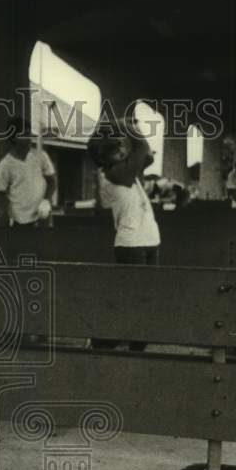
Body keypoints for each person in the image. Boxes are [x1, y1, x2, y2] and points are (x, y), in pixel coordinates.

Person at [87, 113, 160, 351]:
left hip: (147, 240)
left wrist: (124, 131)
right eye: (116, 149)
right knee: (134, 300)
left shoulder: (124, 170)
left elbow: (146, 156)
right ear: (105, 156)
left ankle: (132, 348)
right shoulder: (113, 175)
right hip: (132, 244)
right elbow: (143, 147)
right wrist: (126, 126)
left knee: (145, 301)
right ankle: (102, 341)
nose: (121, 150)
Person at [0, 118, 57, 226]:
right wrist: (4, 213)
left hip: (42, 217)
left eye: (29, 133)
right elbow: (0, 192)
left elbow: (52, 181)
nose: (29, 138)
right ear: (14, 138)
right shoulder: (5, 164)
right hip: (19, 221)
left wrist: (46, 201)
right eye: (24, 135)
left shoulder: (41, 156)